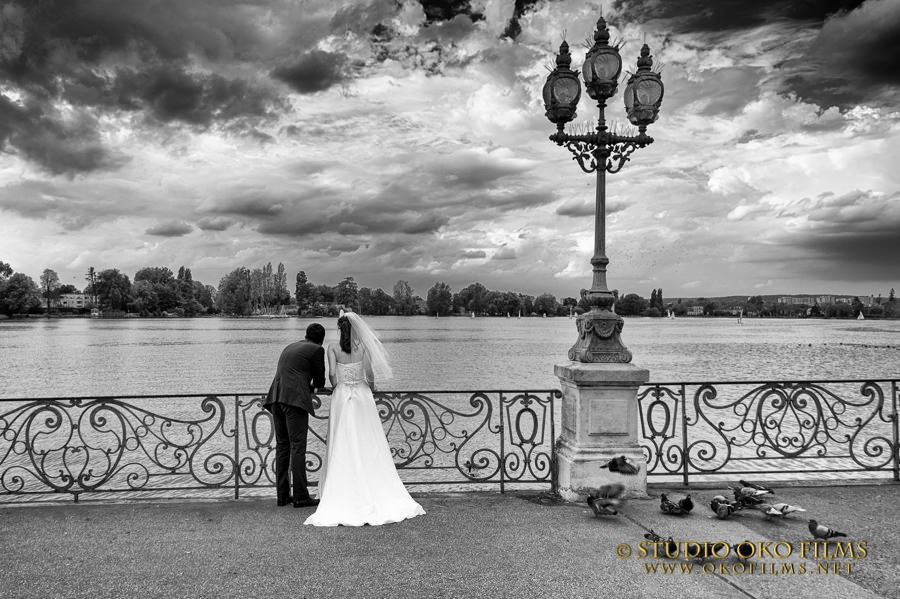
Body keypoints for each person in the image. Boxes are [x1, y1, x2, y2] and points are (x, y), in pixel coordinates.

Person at [304, 311, 425, 527]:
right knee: (368, 438)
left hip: (342, 395)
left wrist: (336, 385)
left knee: (342, 439)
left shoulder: (332, 347)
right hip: (362, 395)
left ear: (340, 328)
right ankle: (373, 481)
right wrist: (373, 388)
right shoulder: (363, 347)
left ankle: (342, 486)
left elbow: (332, 373)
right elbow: (369, 374)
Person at [263, 322, 326, 508]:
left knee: (283, 446)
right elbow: (320, 380)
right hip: (294, 401)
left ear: (306, 334)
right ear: (321, 338)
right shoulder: (316, 350)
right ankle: (300, 496)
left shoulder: (290, 346)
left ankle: (283, 496)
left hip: (275, 398)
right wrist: (315, 387)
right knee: (298, 447)